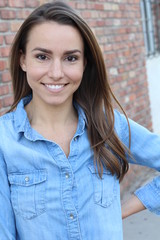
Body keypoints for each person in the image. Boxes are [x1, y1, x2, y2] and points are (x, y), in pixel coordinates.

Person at [0, 2, 160, 240]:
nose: (56, 72)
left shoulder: (109, 126)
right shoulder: (5, 141)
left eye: (70, 58)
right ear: (23, 60)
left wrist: (122, 210)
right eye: (42, 56)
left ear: (85, 63)